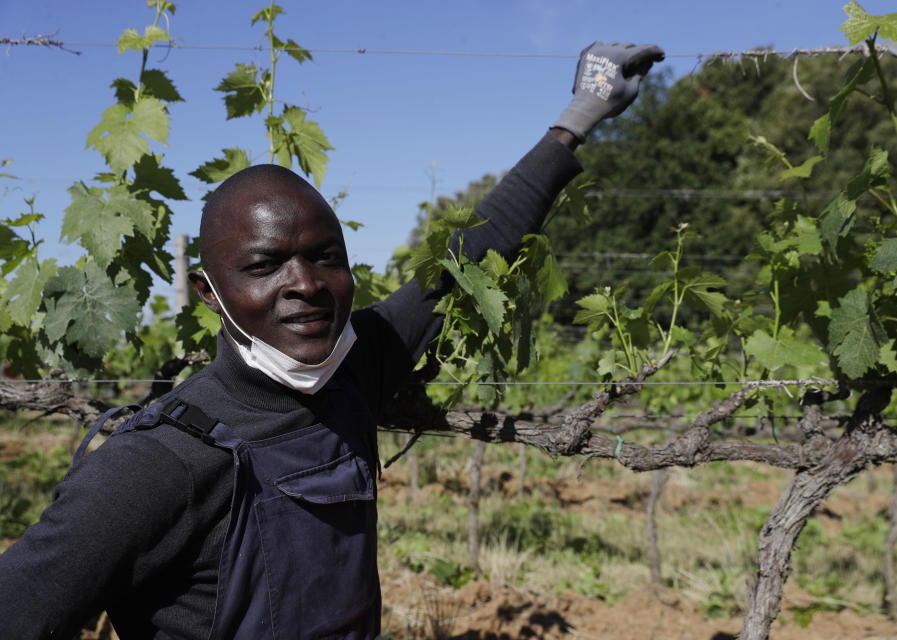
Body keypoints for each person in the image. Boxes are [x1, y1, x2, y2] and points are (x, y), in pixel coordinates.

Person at [0, 41, 663, 639]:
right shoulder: (153, 466)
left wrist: (580, 114)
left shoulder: (354, 369)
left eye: (325, 256)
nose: (306, 285)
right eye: (264, 266)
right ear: (209, 293)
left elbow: (469, 256)